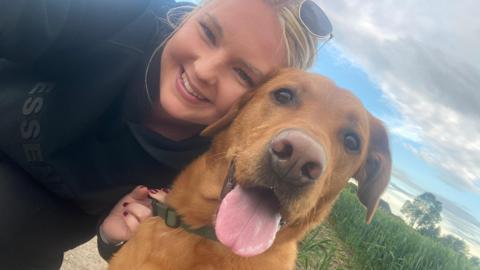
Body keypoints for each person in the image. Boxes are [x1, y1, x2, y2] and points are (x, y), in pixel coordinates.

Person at [0, 0, 331, 268]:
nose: (203, 70)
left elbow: (140, 245)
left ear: (254, 103)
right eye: (208, 32)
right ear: (189, 15)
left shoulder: (213, 166)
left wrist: (113, 238)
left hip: (39, 221)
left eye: (243, 74)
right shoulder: (125, 17)